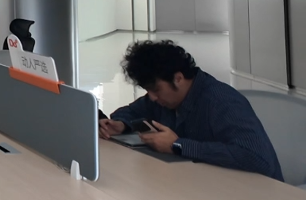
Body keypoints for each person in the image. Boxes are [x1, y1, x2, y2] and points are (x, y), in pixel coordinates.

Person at [99, 40, 282, 181]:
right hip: (203, 186)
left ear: (178, 78)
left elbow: (257, 158)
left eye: (155, 90)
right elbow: (130, 111)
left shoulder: (222, 101)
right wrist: (121, 124)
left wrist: (178, 145)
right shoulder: (163, 99)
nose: (152, 97)